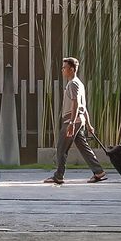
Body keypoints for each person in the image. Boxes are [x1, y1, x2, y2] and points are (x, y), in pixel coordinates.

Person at [44, 56, 108, 185]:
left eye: (64, 68)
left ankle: (58, 176)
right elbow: (83, 107)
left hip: (72, 120)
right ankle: (98, 172)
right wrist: (88, 124)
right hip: (80, 120)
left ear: (72, 69)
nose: (62, 70)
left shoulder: (73, 84)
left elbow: (76, 104)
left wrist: (72, 123)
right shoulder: (79, 83)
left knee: (62, 148)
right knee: (83, 147)